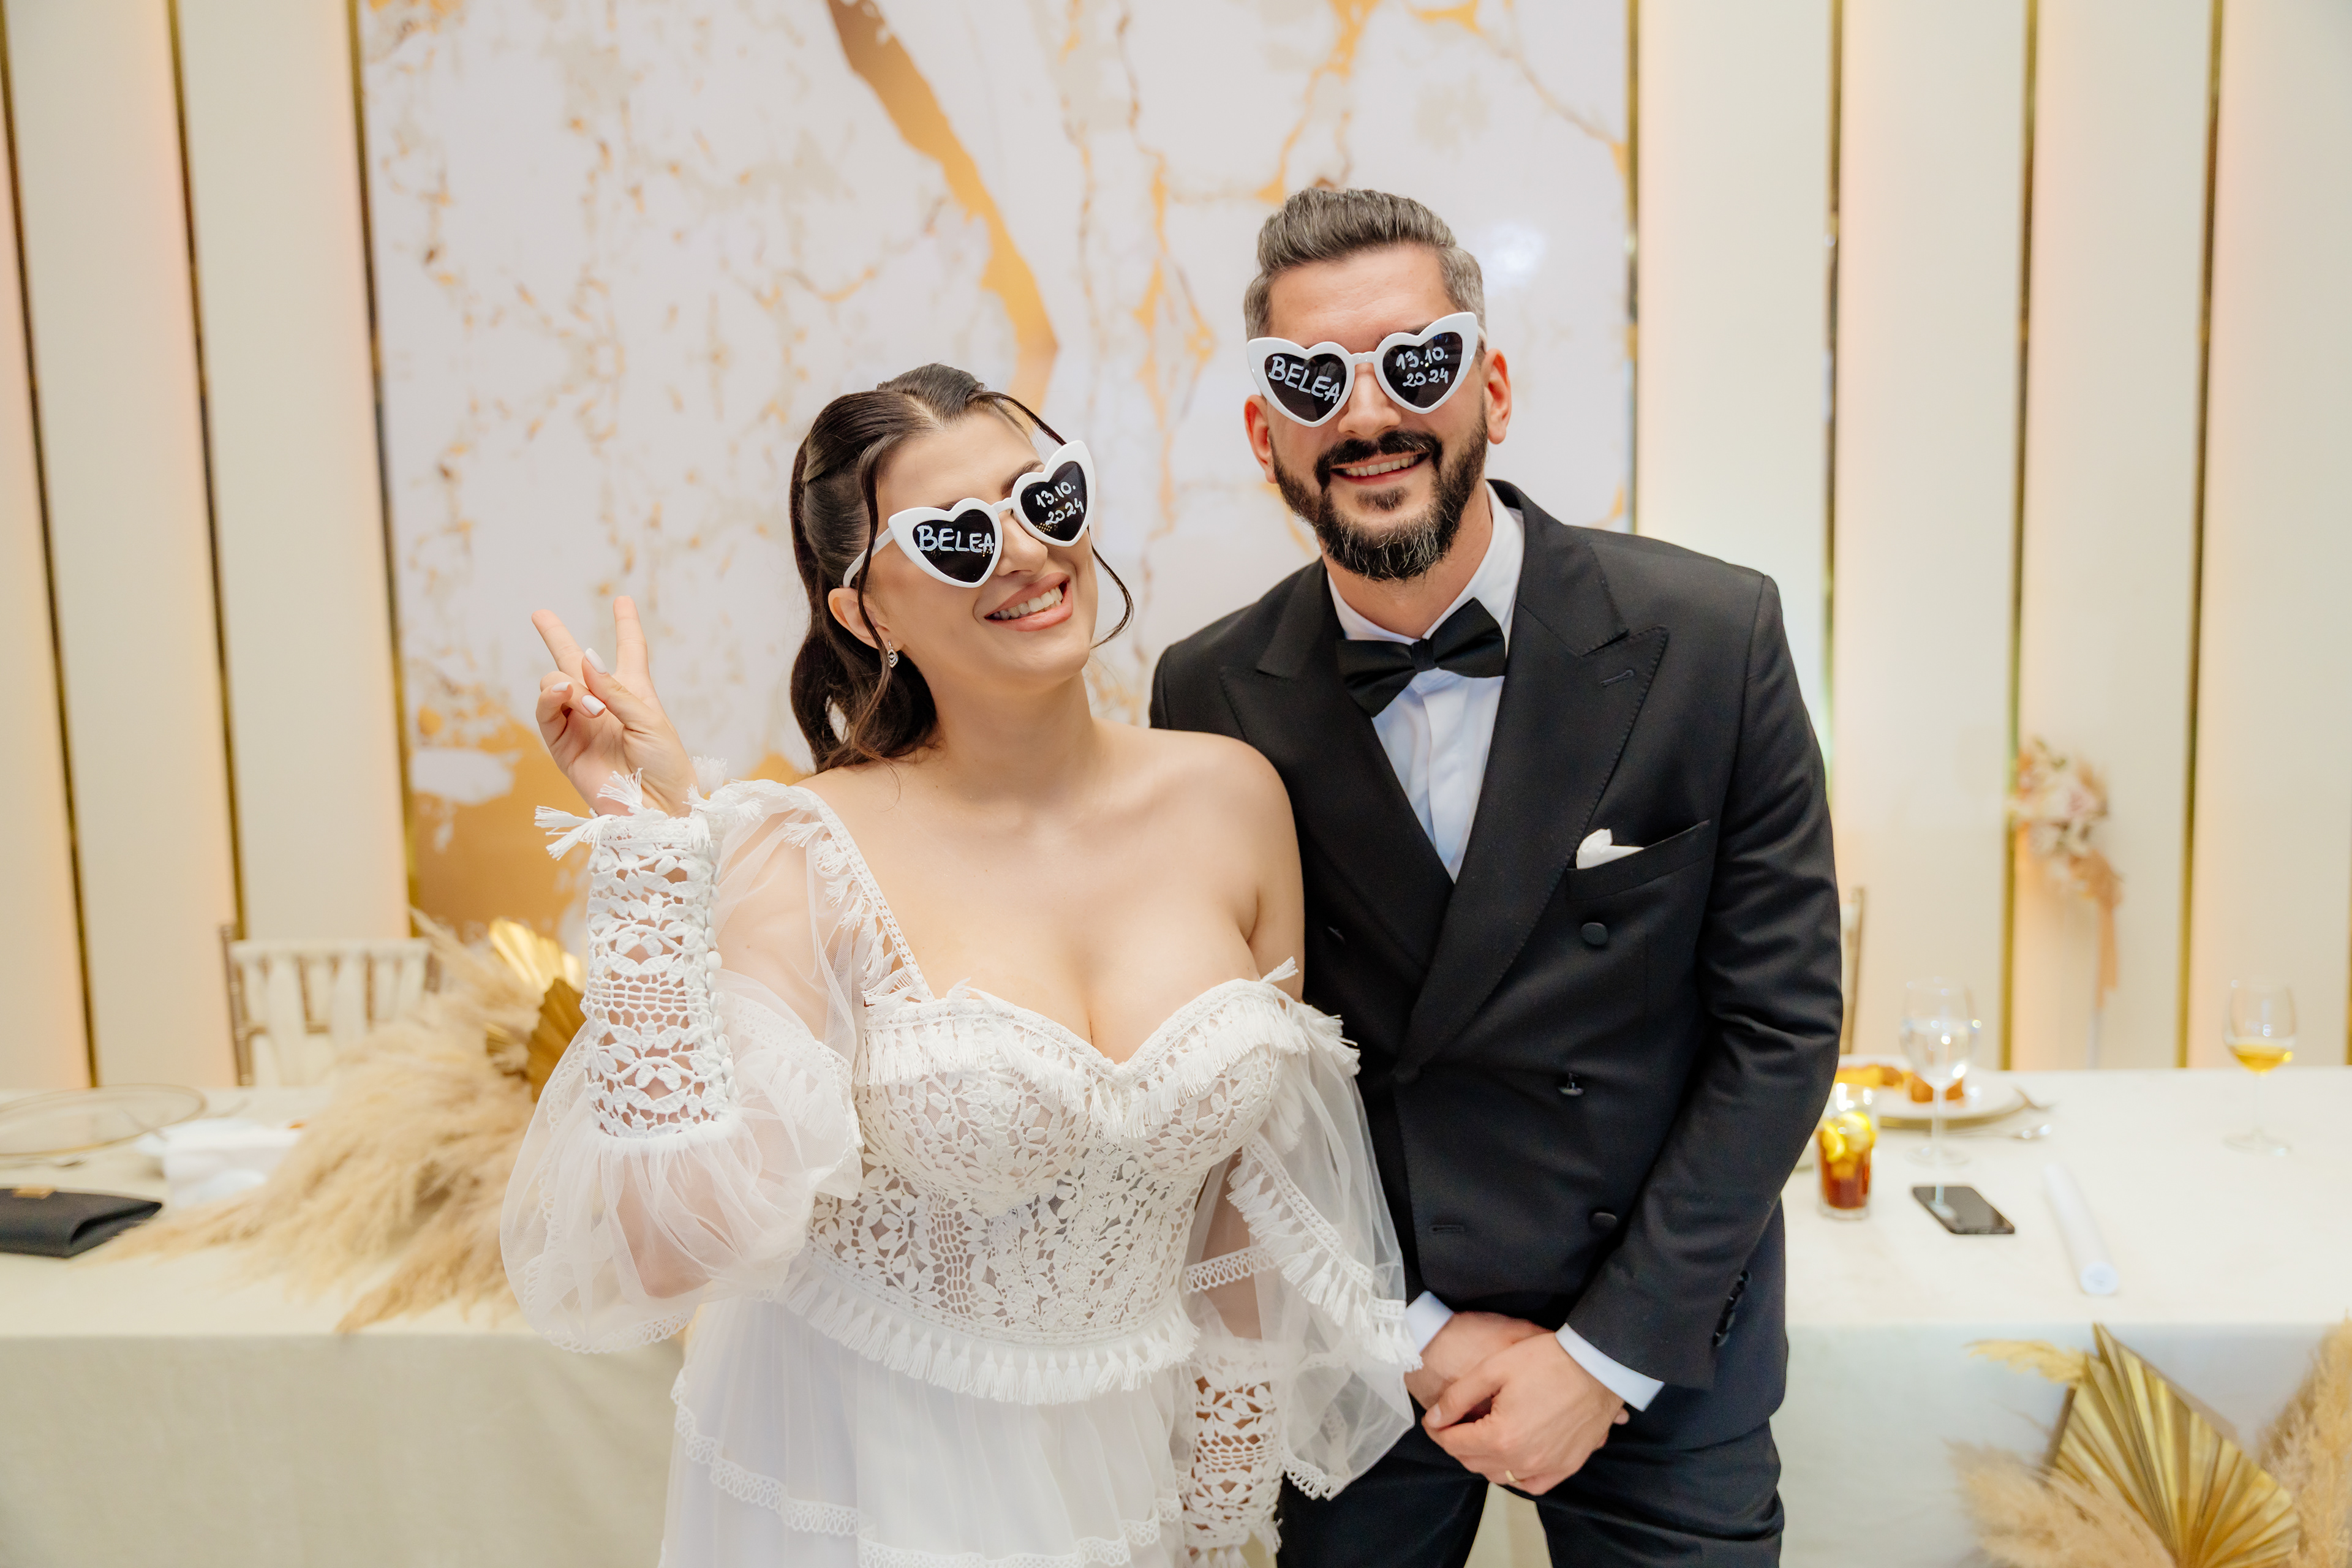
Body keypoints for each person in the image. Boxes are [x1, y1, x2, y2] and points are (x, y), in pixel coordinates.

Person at [503, 364, 1414, 1567]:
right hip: (870, 1475)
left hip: (1125, 1474)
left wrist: (1219, 1505)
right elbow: (675, 1246)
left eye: (1046, 497)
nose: (1027, 552)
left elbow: (1243, 1196)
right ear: (864, 613)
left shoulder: (1232, 797)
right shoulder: (804, 855)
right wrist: (654, 852)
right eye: (957, 535)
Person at [1152, 189, 1842, 1566]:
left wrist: (1603, 1357)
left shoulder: (1714, 637)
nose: (1368, 415)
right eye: (1314, 381)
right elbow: (1240, 1085)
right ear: (1265, 432)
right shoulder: (1207, 691)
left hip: (1660, 1334)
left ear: (1494, 389)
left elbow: (1781, 1029)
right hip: (1364, 1353)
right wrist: (1405, 1331)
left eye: (1417, 363)